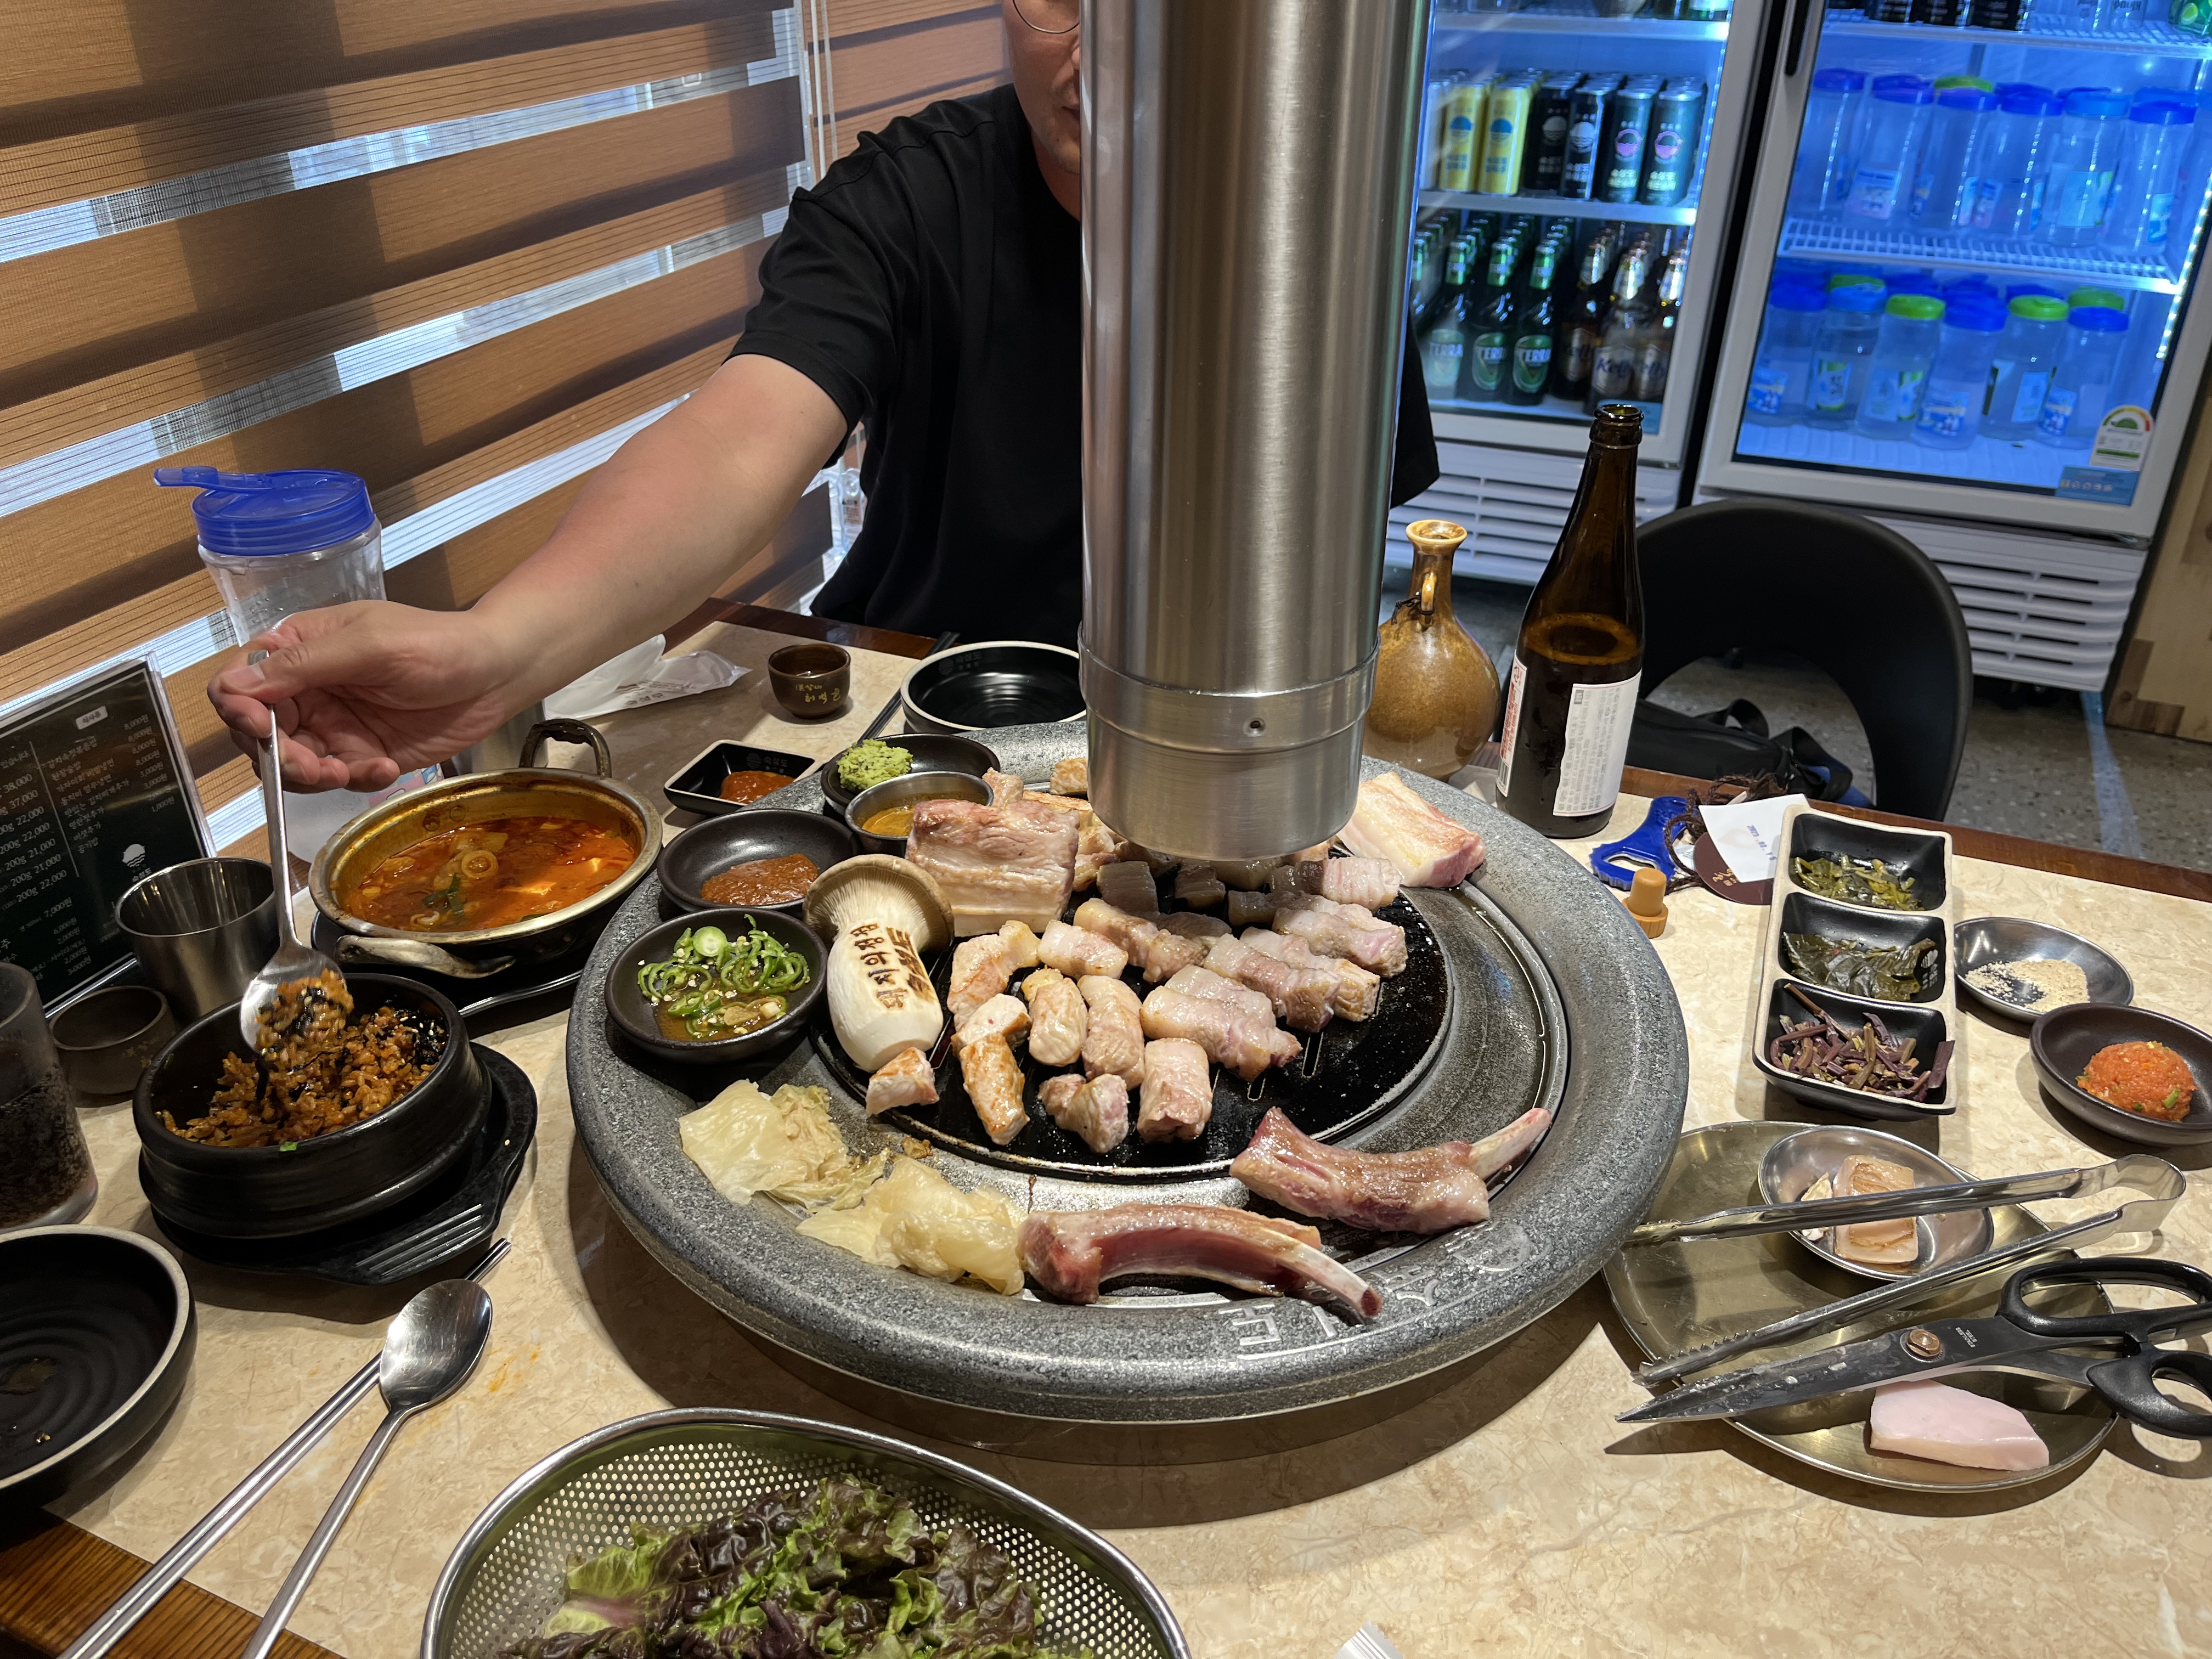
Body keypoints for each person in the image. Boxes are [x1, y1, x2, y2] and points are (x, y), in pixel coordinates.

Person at [210, 0, 1437, 791]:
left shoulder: (1323, 221)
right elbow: (738, 439)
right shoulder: (908, 196)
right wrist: (495, 654)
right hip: (915, 703)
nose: (1107, 45)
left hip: (1207, 733)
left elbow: (1340, 556)